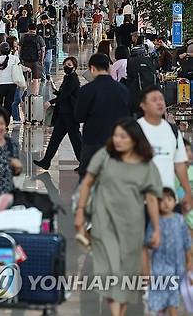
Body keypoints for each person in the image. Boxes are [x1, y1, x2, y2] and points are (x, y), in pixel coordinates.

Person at [75, 118, 162, 316]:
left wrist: (156, 228)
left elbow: (152, 198)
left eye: (123, 136)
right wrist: (80, 211)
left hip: (132, 228)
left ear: (134, 139)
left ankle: (117, 312)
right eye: (116, 136)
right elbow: (87, 182)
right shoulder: (105, 156)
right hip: (103, 225)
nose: (118, 140)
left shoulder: (145, 165)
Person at [75, 53, 131, 180]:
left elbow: (79, 117)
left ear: (92, 68)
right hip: (117, 142)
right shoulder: (122, 89)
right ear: (108, 68)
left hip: (93, 141)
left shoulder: (87, 90)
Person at [137, 87, 193, 209]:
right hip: (141, 201)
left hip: (169, 199)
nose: (159, 102)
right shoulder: (135, 130)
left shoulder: (172, 130)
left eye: (161, 99)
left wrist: (188, 192)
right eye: (154, 100)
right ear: (143, 105)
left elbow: (179, 164)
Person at [143, 187, 192, 316]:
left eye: (169, 199)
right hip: (160, 266)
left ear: (174, 201)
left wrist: (190, 260)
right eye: (161, 200)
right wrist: (151, 242)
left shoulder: (179, 220)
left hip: (177, 266)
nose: (165, 203)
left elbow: (187, 241)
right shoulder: (155, 222)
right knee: (163, 299)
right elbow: (147, 241)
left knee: (173, 300)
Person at [34, 57, 82, 170]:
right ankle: (46, 161)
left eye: (69, 65)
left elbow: (65, 95)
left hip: (70, 115)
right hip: (63, 114)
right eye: (65, 64)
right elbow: (63, 93)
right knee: (55, 138)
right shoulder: (68, 77)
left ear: (74, 67)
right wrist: (55, 90)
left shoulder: (73, 79)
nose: (66, 66)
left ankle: (84, 163)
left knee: (76, 140)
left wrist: (50, 102)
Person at [19, 23, 45, 95]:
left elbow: (19, 49)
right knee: (35, 78)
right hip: (36, 61)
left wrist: (20, 58)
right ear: (36, 29)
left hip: (25, 60)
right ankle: (34, 94)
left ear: (28, 29)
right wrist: (42, 60)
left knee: (26, 77)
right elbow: (43, 50)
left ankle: (26, 92)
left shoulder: (23, 37)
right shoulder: (38, 37)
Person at [36, 15, 57, 80]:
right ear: (41, 20)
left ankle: (48, 73)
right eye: (43, 20)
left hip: (48, 46)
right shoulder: (38, 27)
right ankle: (43, 75)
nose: (45, 21)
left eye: (46, 19)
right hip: (40, 47)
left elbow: (54, 35)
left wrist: (50, 37)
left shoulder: (50, 27)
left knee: (47, 61)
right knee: (41, 61)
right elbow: (36, 36)